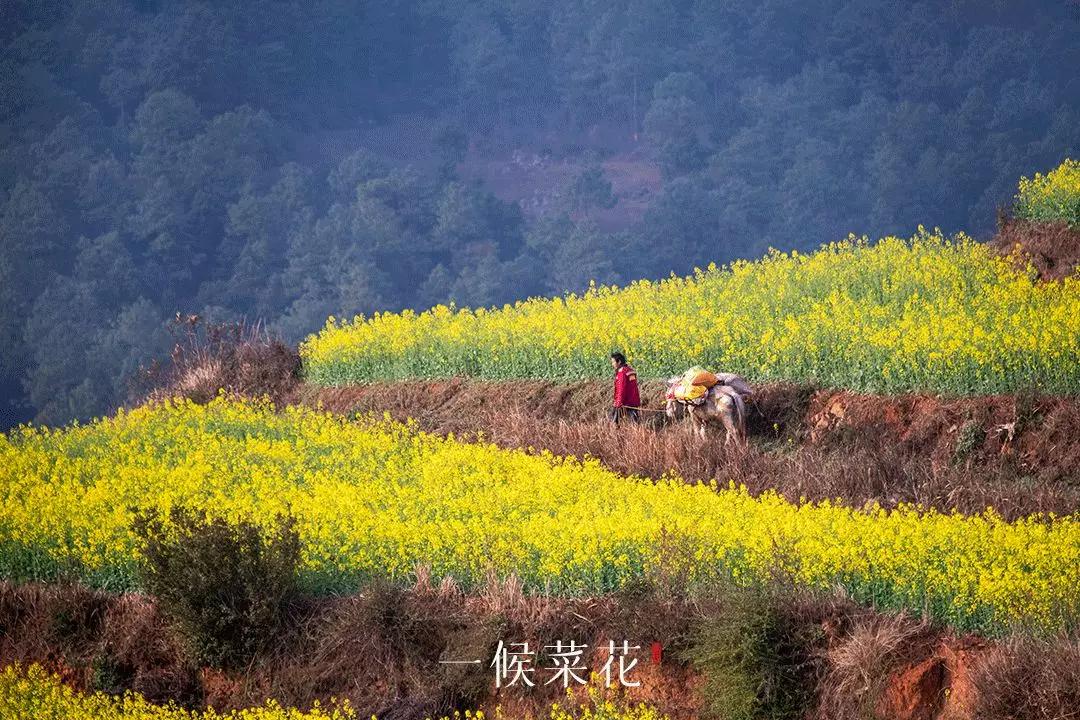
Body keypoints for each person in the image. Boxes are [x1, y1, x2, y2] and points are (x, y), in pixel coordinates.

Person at [609, 351, 640, 424]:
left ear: (619, 362)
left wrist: (618, 403)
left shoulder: (622, 373)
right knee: (635, 423)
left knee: (614, 422)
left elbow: (621, 389)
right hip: (633, 401)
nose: (612, 364)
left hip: (625, 402)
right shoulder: (630, 371)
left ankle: (615, 434)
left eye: (613, 362)